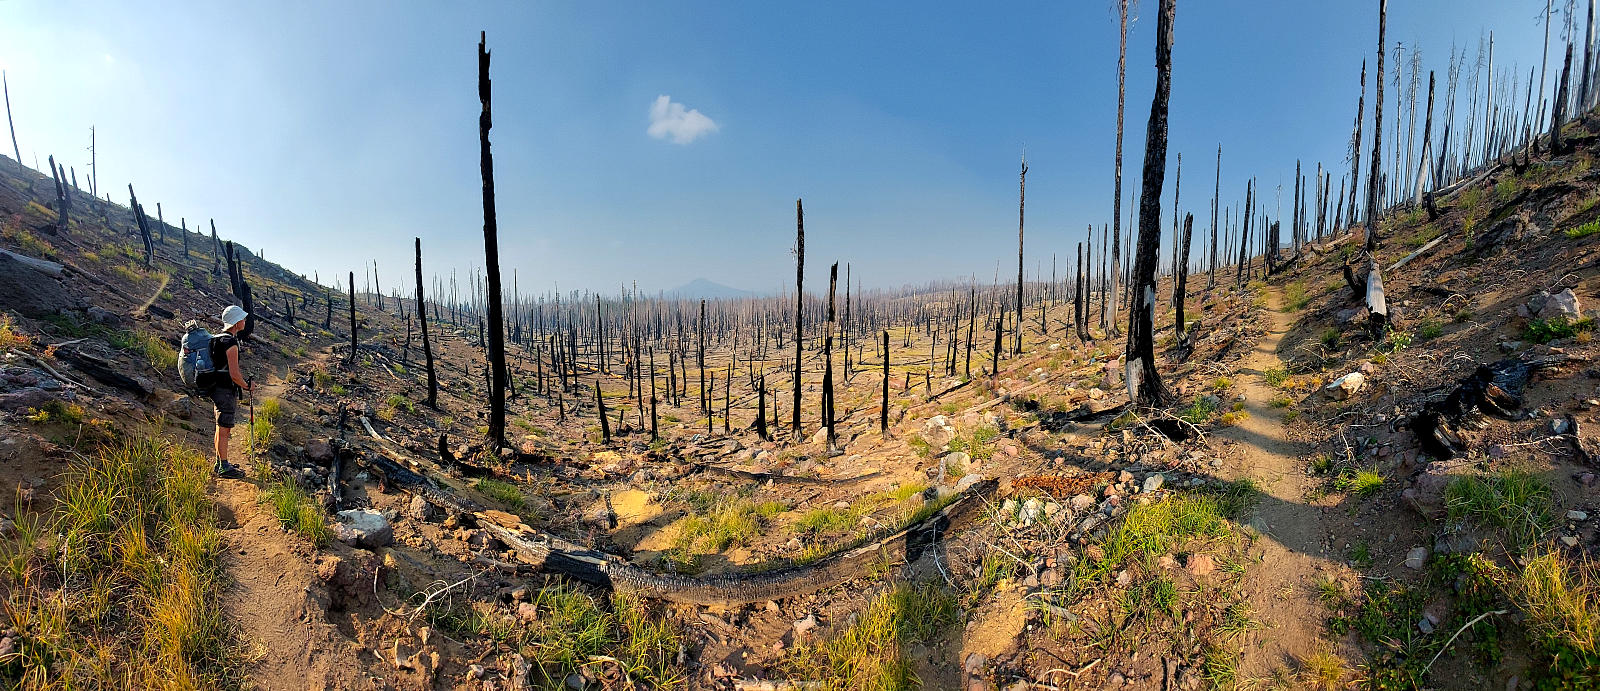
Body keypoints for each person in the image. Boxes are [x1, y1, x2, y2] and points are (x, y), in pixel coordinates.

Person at [210, 305, 253, 479]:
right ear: (236, 323)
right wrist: (247, 386)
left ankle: (220, 462)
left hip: (214, 388)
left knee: (219, 427)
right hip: (225, 390)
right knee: (225, 428)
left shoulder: (216, 339)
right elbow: (234, 374)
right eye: (242, 319)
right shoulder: (231, 343)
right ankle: (224, 466)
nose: (244, 321)